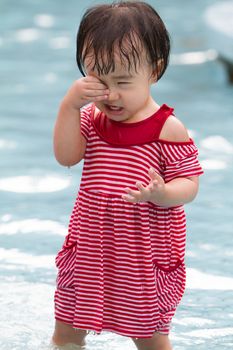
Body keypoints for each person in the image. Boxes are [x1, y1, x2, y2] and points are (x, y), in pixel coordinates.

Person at [51, 1, 204, 350]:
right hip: (91, 247)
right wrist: (69, 105)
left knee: (150, 336)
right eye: (98, 81)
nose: (111, 94)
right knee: (67, 332)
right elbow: (66, 157)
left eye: (122, 81)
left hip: (141, 255)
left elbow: (190, 185)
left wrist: (161, 193)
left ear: (154, 70)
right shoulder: (90, 118)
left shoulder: (167, 128)